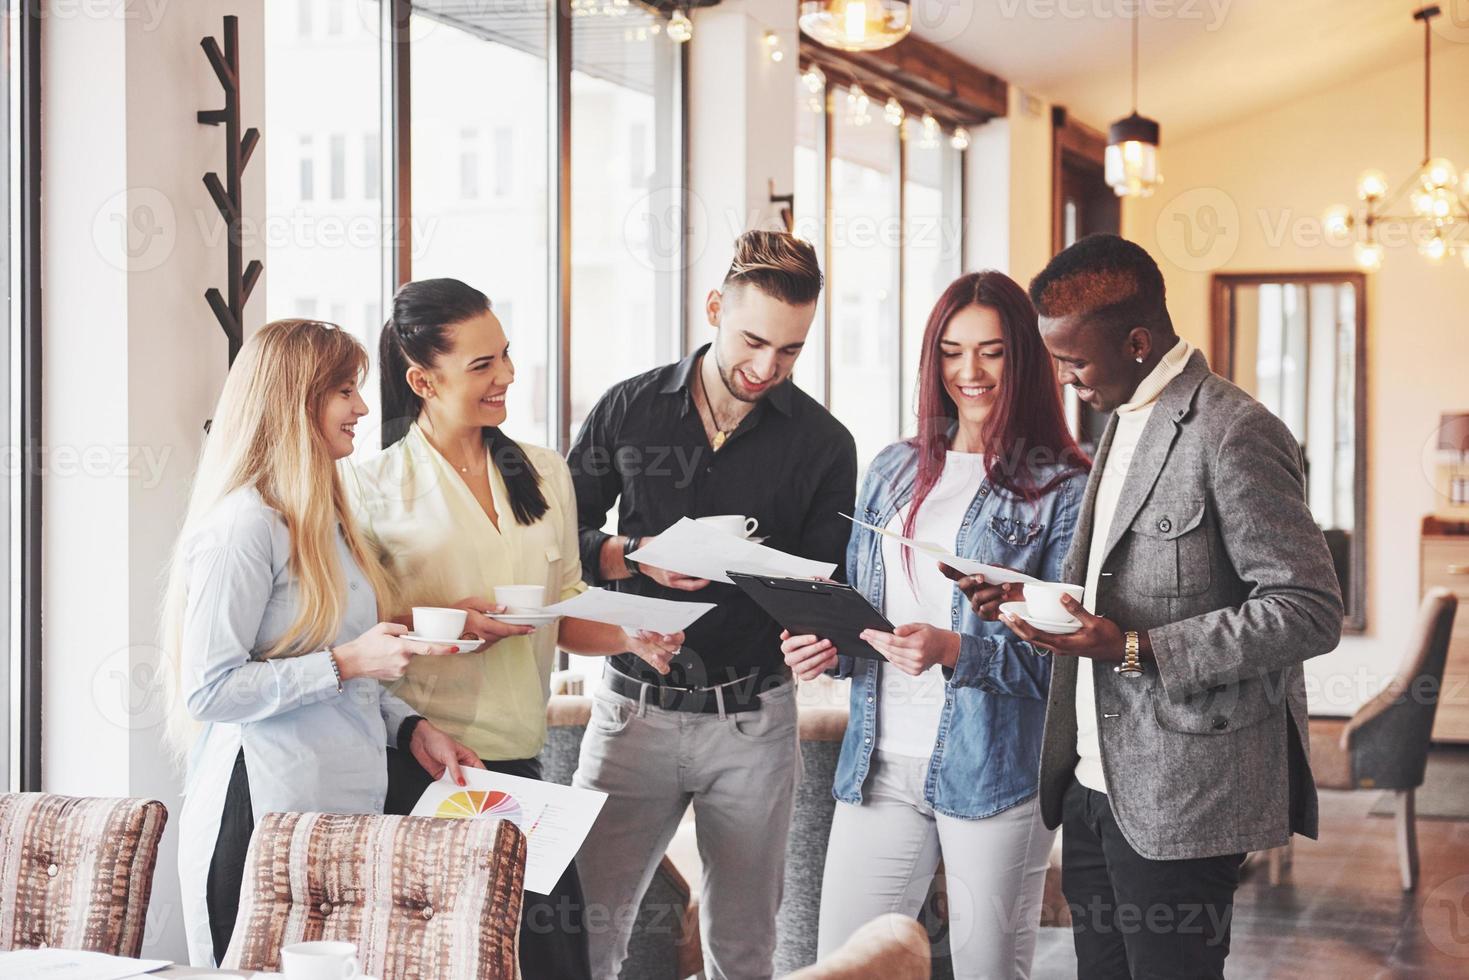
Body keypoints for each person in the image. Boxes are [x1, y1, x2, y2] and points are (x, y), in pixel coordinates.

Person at [958, 235, 1343, 979]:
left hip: (1184, 797)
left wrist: (1137, 650)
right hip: (1091, 784)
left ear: (1137, 341)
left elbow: (1308, 607)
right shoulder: (1121, 417)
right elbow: (1121, 592)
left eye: (1074, 362)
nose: (1066, 381)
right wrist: (1033, 603)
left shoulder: (1234, 430)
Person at [348, 278, 683, 980]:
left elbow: (562, 612)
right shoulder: (370, 488)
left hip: (520, 770)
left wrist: (628, 636)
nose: (504, 376)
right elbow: (357, 635)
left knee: (550, 961)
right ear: (421, 380)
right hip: (422, 766)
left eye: (504, 355)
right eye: (480, 366)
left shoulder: (542, 473)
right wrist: (431, 622)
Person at [780, 271, 1088, 979]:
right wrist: (823, 644)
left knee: (988, 971)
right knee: (843, 966)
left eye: (991, 351)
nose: (968, 372)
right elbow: (862, 611)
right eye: (950, 351)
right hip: (878, 762)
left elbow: (1066, 659)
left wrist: (957, 650)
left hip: (996, 772)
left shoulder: (1063, 487)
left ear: (1026, 356)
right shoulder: (892, 467)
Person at [568, 230, 858, 979]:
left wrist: (821, 639)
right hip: (632, 713)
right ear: (711, 309)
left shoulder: (825, 444)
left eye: (790, 351)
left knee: (744, 949)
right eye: (753, 341)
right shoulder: (628, 410)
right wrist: (629, 555)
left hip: (754, 722)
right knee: (582, 938)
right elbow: (554, 543)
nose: (766, 369)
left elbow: (824, 589)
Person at [164, 320, 482, 967]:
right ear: (294, 401)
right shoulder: (244, 529)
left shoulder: (327, 525)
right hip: (259, 813)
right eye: (344, 390)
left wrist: (410, 727)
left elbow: (340, 668)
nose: (363, 408)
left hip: (332, 810)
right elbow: (209, 689)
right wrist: (346, 661)